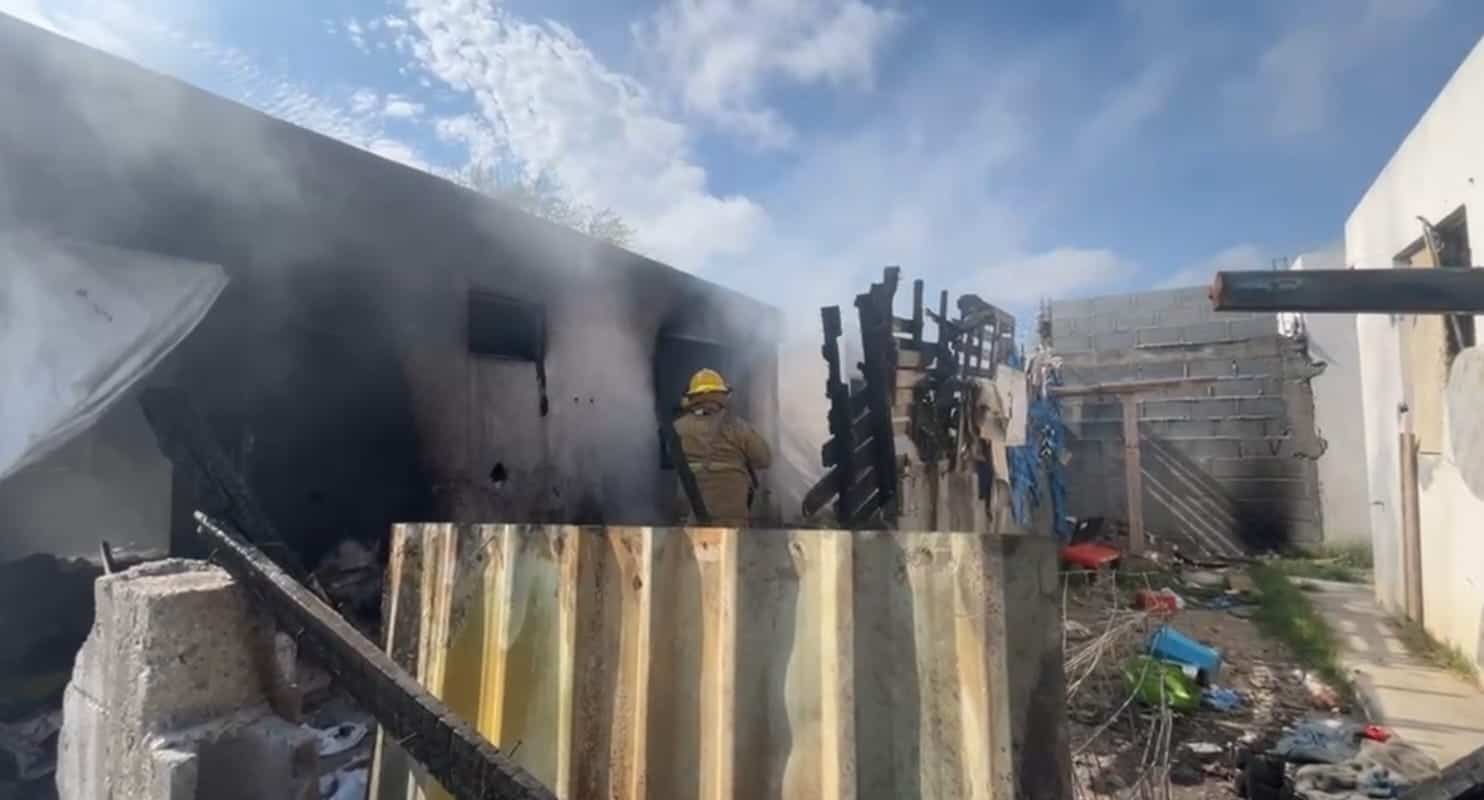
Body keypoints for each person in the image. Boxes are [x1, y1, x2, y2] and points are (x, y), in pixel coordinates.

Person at [670, 368, 772, 526]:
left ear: (691, 397)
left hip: (692, 516)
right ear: (722, 396)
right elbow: (764, 459)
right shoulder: (737, 427)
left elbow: (668, 461)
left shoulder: (677, 428)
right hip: (732, 517)